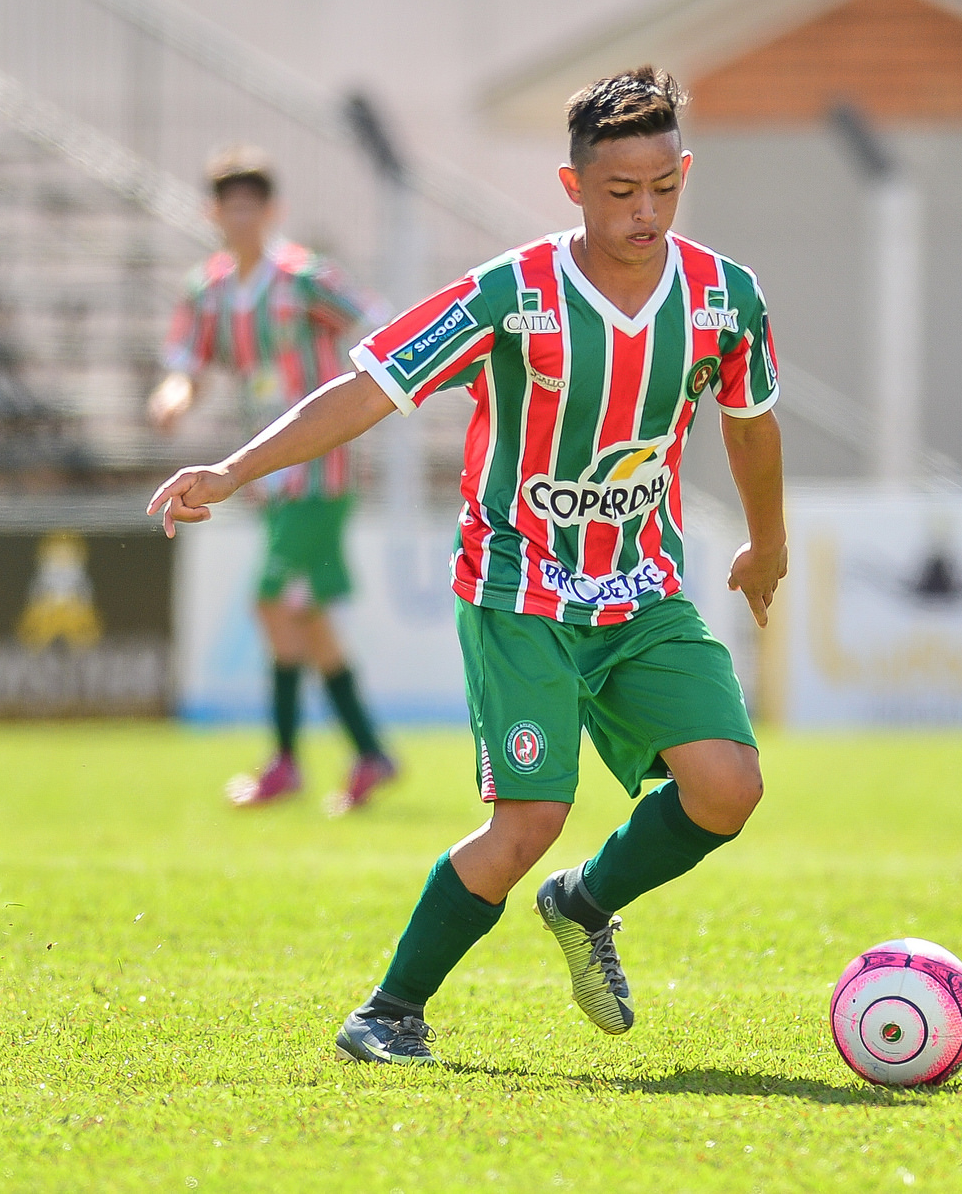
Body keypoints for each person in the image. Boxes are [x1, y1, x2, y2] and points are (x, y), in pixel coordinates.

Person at [148, 68, 786, 1065]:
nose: (645, 210)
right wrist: (232, 468)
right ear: (574, 187)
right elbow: (364, 390)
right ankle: (390, 1010)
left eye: (663, 186)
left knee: (727, 789)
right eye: (620, 192)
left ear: (683, 170)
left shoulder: (723, 297)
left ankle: (585, 901)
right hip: (518, 588)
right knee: (529, 817)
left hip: (643, 588)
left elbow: (750, 426)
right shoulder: (512, 293)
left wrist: (767, 539)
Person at [150, 148, 396, 815]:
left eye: (250, 206)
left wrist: (355, 392)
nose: (240, 218)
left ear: (271, 212)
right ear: (213, 214)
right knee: (306, 614)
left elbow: (380, 320)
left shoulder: (304, 277)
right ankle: (370, 752)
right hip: (269, 478)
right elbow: (185, 361)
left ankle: (287, 761)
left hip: (319, 468)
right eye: (228, 207)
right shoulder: (209, 291)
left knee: (270, 600)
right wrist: (173, 396)